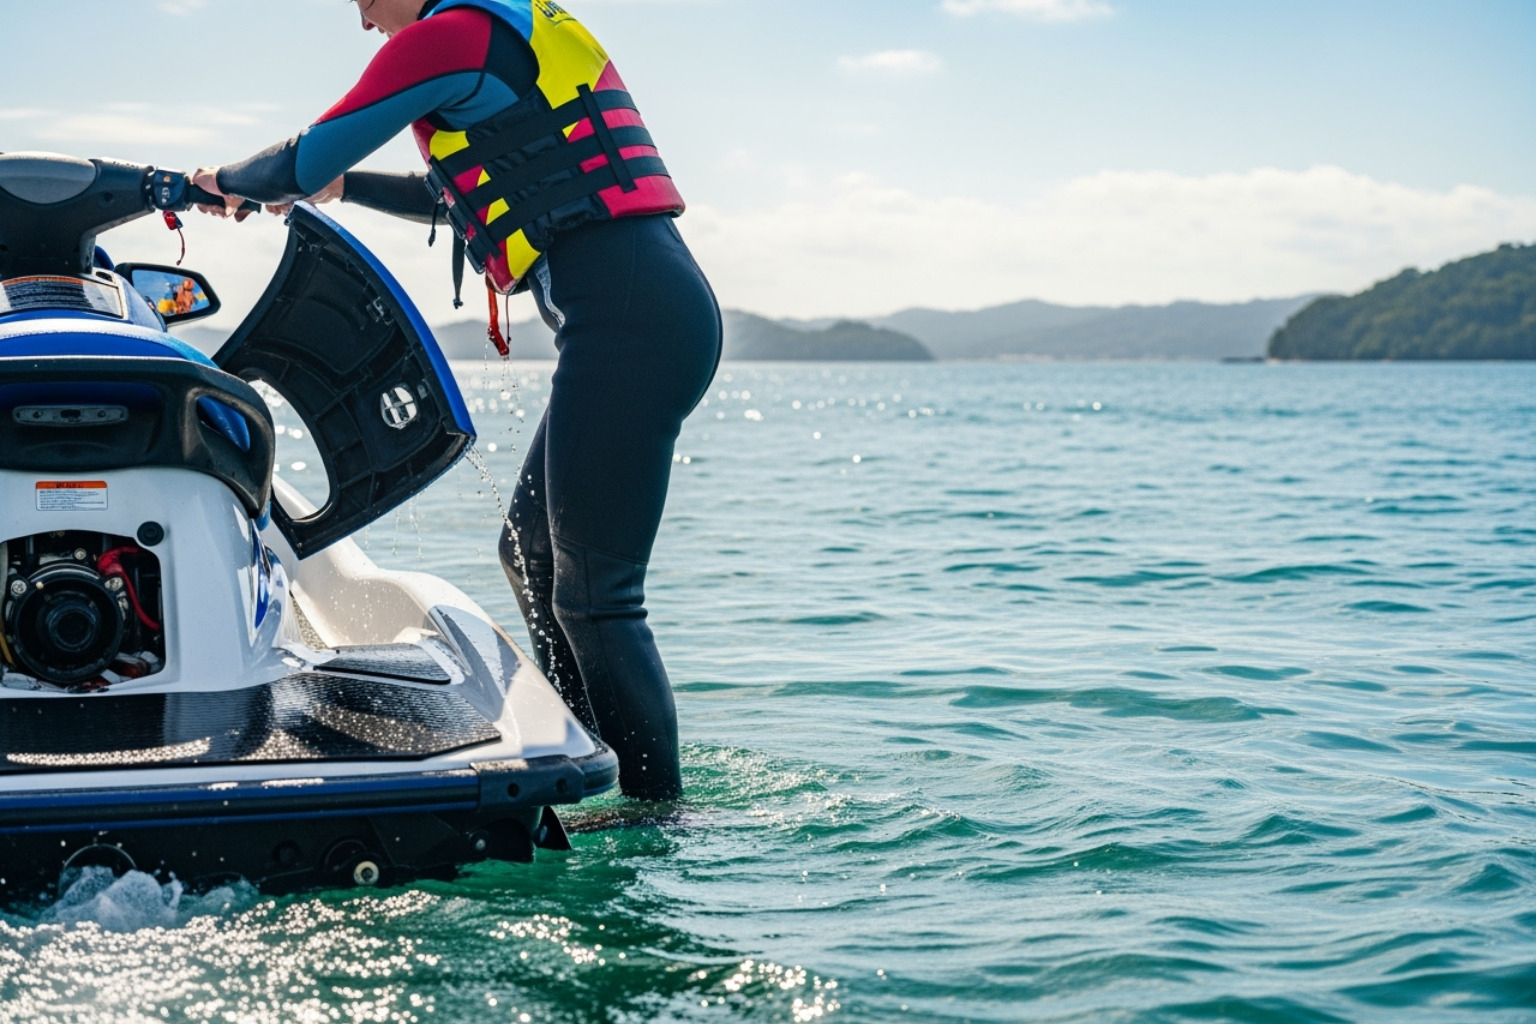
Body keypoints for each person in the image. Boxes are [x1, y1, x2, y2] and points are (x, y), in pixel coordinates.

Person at [194, 0, 720, 801]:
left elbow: (300, 160)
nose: (366, 21)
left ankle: (655, 826)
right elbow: (473, 190)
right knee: (531, 553)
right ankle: (592, 771)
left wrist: (219, 183)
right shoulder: (496, 40)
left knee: (596, 595)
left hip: (633, 323)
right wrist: (354, 185)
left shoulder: (452, 36)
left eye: (365, 0)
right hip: (644, 313)